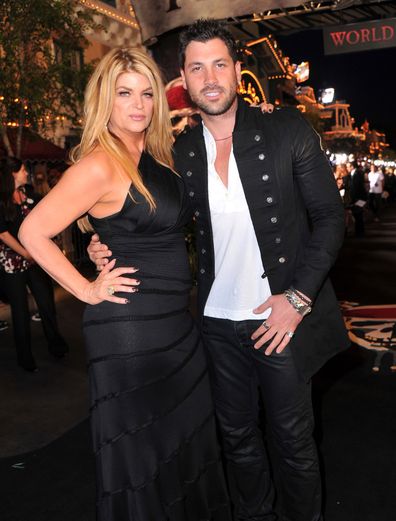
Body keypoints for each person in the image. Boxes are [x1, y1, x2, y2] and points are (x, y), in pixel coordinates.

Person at [89, 19, 350, 521]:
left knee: (292, 439)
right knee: (237, 438)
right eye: (196, 67)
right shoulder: (178, 154)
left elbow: (330, 218)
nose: (209, 77)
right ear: (184, 82)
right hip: (214, 323)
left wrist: (297, 299)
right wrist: (101, 242)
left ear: (236, 70)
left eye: (219, 64)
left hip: (279, 321)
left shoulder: (286, 130)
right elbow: (147, 214)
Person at [19, 47, 231, 521]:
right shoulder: (99, 163)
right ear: (105, 100)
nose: (138, 105)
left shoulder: (157, 155)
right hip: (130, 331)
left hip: (176, 323)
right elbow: (33, 231)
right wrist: (87, 288)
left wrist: (100, 238)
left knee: (183, 439)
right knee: (144, 454)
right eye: (124, 93)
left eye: (147, 94)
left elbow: (129, 223)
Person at [0, 158, 68, 372]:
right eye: (22, 170)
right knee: (20, 311)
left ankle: (57, 346)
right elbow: (2, 233)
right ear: (12, 174)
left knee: (46, 303)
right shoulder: (2, 200)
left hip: (35, 259)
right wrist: (26, 253)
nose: (27, 173)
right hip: (12, 263)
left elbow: (44, 218)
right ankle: (25, 358)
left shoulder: (30, 194)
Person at [346, 161, 367, 237]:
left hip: (359, 198)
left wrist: (354, 199)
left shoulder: (357, 174)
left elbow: (357, 188)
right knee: (357, 215)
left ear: (352, 166)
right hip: (357, 198)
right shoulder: (354, 174)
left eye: (348, 166)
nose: (347, 168)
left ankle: (360, 232)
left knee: (358, 215)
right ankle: (359, 231)